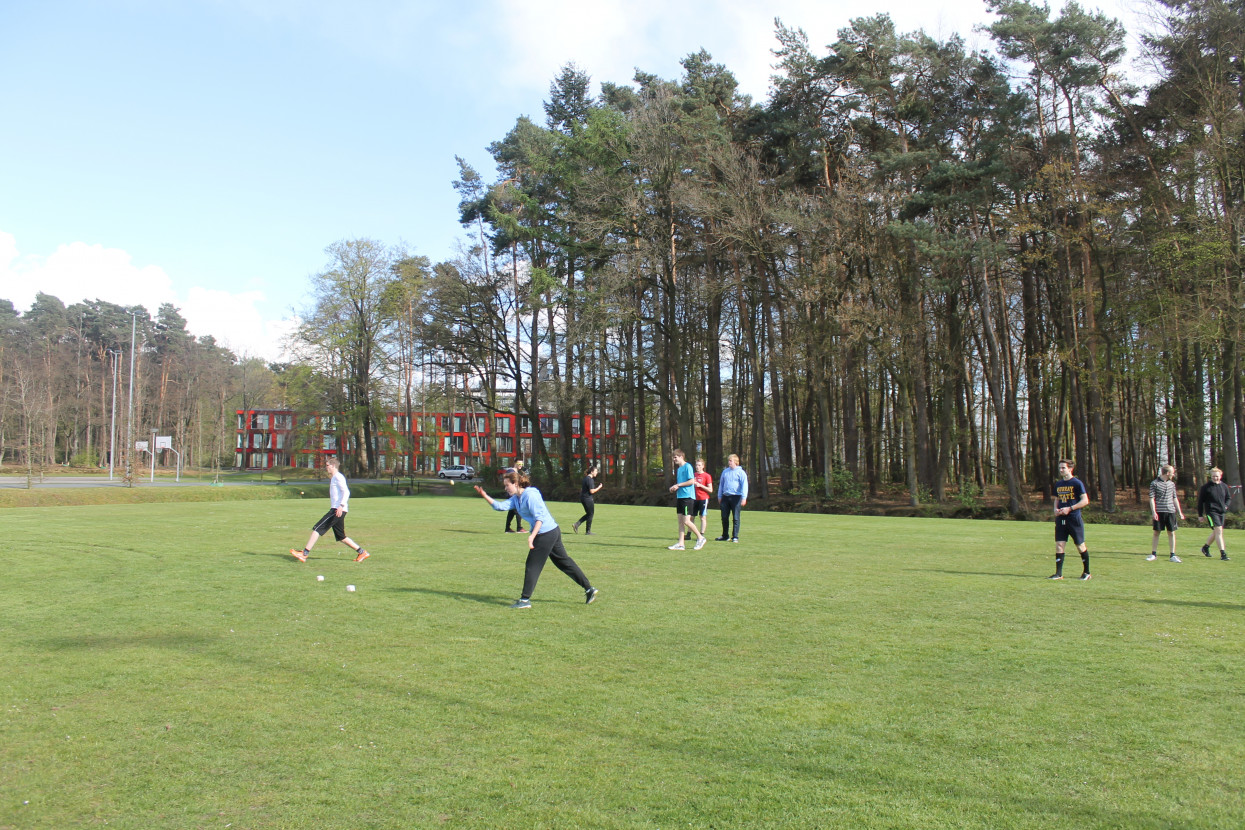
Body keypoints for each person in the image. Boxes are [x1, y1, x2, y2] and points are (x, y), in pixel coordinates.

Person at [474, 469, 598, 609]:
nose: (505, 488)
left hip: (546, 533)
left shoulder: (530, 495)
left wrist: (532, 537)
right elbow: (500, 506)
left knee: (532, 566)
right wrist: (484, 495)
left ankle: (525, 600)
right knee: (563, 563)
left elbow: (539, 519)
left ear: (515, 483)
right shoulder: (517, 498)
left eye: (507, 485)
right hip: (551, 531)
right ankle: (589, 589)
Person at [290, 456, 370, 563]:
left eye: (327, 466)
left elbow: (346, 492)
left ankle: (304, 553)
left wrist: (341, 506)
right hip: (338, 509)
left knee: (317, 528)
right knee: (341, 536)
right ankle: (362, 552)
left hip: (337, 510)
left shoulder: (338, 477)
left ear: (333, 466)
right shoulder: (334, 478)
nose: (326, 468)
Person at [1050, 458, 1091, 580]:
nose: (1061, 470)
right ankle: (1058, 573)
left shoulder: (1077, 483)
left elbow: (1085, 501)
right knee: (1059, 544)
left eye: (1063, 468)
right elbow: (1057, 499)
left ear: (1070, 469)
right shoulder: (1058, 484)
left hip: (1073, 519)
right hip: (1061, 519)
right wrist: (1055, 510)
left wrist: (1070, 508)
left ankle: (1087, 572)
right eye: (1060, 468)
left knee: (1080, 545)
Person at [1198, 467, 1241, 561]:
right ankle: (1223, 554)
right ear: (1210, 476)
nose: (1215, 478)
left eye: (1217, 476)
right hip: (1211, 512)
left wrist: (1226, 506)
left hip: (1221, 512)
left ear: (1220, 476)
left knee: (1217, 532)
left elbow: (1228, 498)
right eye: (1213, 476)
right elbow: (1201, 502)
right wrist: (1200, 515)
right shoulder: (1206, 487)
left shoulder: (1224, 486)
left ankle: (1205, 547)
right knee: (1219, 531)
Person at [668, 449, 706, 550]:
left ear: (681, 457)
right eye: (673, 457)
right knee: (680, 521)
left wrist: (678, 485)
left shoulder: (687, 466)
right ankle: (681, 544)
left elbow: (692, 481)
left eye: (676, 457)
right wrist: (674, 487)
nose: (674, 459)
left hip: (687, 497)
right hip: (680, 497)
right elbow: (681, 484)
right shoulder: (679, 469)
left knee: (686, 521)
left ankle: (700, 538)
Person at [1147, 464, 1185, 562]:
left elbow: (1174, 498)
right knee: (1156, 532)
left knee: (1171, 532)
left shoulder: (1171, 484)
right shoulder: (1154, 483)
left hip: (1170, 511)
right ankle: (1153, 554)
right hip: (1159, 511)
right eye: (1172, 472)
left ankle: (1172, 555)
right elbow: (1151, 498)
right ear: (1168, 473)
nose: (1173, 474)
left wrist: (1179, 512)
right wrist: (1154, 512)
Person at [715, 453, 749, 542]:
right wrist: (719, 495)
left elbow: (744, 485)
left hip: (736, 497)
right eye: (729, 460)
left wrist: (744, 497)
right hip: (725, 497)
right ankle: (725, 535)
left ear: (735, 461)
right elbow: (721, 485)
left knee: (736, 518)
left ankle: (735, 536)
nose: (729, 462)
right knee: (724, 517)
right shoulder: (725, 472)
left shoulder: (741, 473)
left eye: (730, 460)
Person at [572, 462, 603, 535]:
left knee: (589, 514)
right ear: (592, 472)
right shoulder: (590, 479)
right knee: (591, 514)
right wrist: (599, 487)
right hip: (588, 499)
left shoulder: (585, 479)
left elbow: (582, 489)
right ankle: (587, 531)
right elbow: (592, 491)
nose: (597, 472)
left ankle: (577, 524)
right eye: (596, 471)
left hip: (583, 498)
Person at [691, 458, 713, 540]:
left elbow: (710, 490)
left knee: (702, 517)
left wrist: (701, 486)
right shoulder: (693, 475)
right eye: (696, 465)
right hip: (694, 499)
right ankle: (689, 534)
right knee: (691, 517)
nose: (697, 467)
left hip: (703, 498)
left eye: (699, 465)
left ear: (703, 466)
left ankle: (701, 534)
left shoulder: (707, 476)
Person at [504, 459, 525, 533]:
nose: (520, 466)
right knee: (518, 510)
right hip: (512, 494)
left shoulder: (517, 472)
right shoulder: (511, 471)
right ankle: (519, 528)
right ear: (515, 463)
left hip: (515, 494)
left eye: (522, 464)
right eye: (519, 464)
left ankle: (507, 528)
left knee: (512, 512)